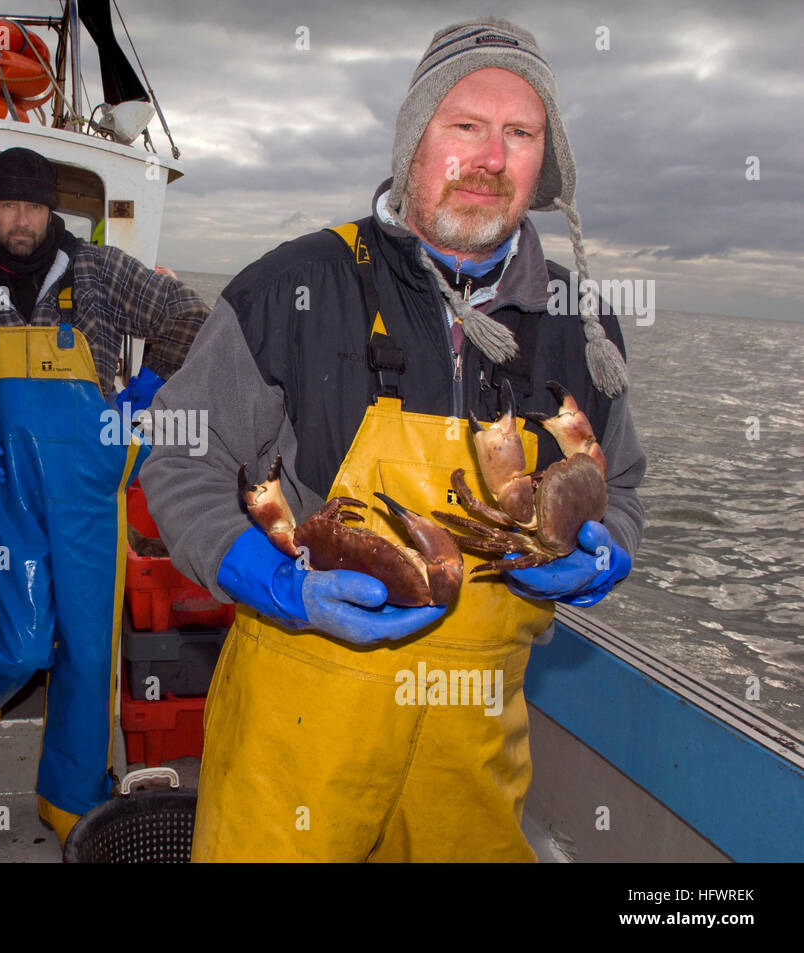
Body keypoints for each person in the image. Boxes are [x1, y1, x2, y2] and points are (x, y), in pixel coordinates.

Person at [140, 17, 646, 862]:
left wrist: (607, 550)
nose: (491, 157)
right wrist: (270, 580)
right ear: (415, 140)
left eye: (520, 134)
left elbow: (621, 484)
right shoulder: (291, 286)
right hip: (302, 728)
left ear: (542, 165)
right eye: (465, 126)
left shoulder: (580, 324)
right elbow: (181, 461)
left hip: (476, 744)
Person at [0, 147, 209, 843]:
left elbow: (189, 313)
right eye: (9, 205)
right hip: (5, 489)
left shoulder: (99, 270)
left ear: (51, 210)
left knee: (88, 648)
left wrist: (148, 388)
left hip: (90, 488)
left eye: (35, 205)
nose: (22, 220)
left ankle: (70, 795)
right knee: (22, 641)